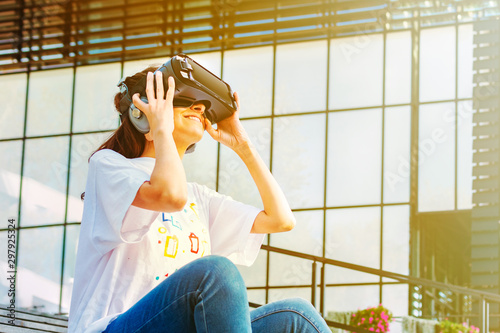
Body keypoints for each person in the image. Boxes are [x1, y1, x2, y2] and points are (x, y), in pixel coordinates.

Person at [68, 60, 331, 333]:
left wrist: (243, 146)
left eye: (202, 105)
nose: (199, 107)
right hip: (113, 328)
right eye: (182, 99)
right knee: (217, 273)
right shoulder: (109, 165)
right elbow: (169, 195)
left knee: (296, 315)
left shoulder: (199, 197)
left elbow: (280, 220)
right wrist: (159, 129)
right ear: (141, 114)